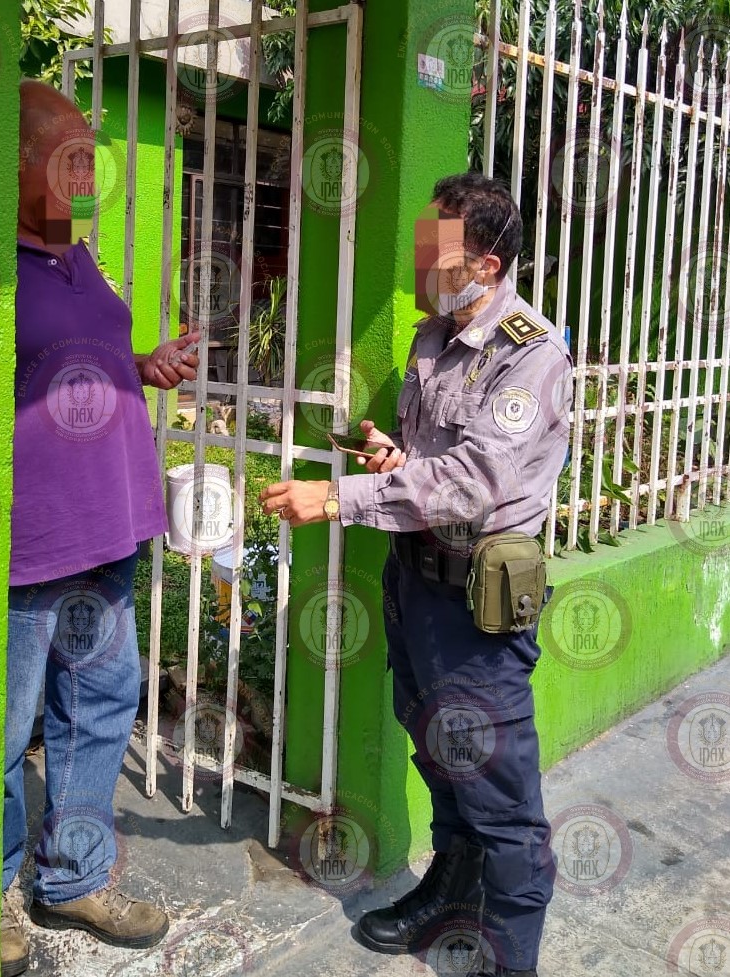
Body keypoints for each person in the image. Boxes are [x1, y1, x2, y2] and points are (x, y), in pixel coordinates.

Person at [259, 172, 572, 977]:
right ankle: (449, 893)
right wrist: (394, 458)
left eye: (440, 251)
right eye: (421, 245)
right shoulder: (429, 338)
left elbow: (474, 482)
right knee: (435, 751)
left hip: (477, 604)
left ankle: (512, 958)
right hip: (415, 584)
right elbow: (438, 466)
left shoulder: (530, 354)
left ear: (489, 264)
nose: (423, 263)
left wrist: (338, 495)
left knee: (501, 798)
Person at [0, 80, 200, 977]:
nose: (87, 173)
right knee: (6, 730)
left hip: (108, 527)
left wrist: (145, 364)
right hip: (31, 543)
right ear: (12, 162)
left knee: (98, 705)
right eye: (68, 154)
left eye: (91, 155)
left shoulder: (80, 258)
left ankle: (72, 877)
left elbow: (90, 357)